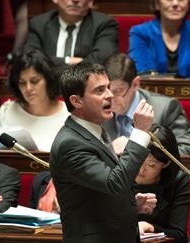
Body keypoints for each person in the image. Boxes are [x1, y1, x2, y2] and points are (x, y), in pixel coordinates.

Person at [50, 60, 156, 242]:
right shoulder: (70, 143)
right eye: (99, 90)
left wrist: (129, 204)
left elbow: (100, 191)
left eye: (108, 87)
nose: (110, 95)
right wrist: (139, 133)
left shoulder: (94, 130)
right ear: (76, 101)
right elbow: (115, 183)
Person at [103, 53, 190, 156]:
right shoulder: (98, 108)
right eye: (105, 90)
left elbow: (187, 151)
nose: (110, 98)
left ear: (135, 84)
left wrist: (137, 146)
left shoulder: (165, 108)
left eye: (118, 91)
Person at [0, 50, 69, 152]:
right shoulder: (7, 110)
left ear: (49, 80)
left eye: (34, 81)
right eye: (22, 82)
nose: (28, 88)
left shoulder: (69, 114)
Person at [135, 124, 190, 242]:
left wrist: (150, 227)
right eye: (138, 160)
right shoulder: (120, 175)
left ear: (166, 164)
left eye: (151, 165)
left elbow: (179, 234)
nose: (141, 169)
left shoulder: (178, 181)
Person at [24, 0, 118, 68]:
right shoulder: (38, 24)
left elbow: (101, 62)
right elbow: (31, 59)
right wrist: (70, 61)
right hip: (48, 89)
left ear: (90, 2)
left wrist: (52, 63)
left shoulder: (104, 24)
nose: (75, 0)